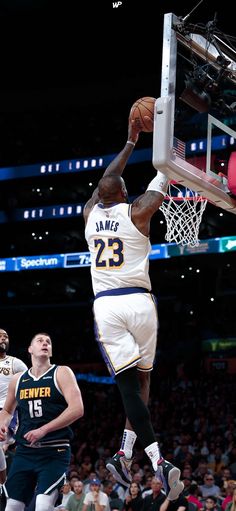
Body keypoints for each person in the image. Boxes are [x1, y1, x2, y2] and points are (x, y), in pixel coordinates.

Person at [83, 115, 184, 501]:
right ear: (125, 194)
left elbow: (105, 182)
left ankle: (137, 456)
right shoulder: (137, 212)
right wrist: (169, 156)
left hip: (107, 307)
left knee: (127, 384)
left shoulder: (90, 216)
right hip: (141, 302)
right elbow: (158, 189)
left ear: (101, 195)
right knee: (143, 382)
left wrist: (128, 144)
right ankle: (141, 458)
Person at [0, 331, 84, 511]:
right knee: (12, 506)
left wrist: (44, 429)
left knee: (43, 505)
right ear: (30, 349)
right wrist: (2, 424)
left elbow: (77, 408)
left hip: (54, 450)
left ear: (51, 351)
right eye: (40, 340)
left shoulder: (61, 372)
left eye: (48, 342)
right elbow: (7, 410)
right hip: (24, 452)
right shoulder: (18, 379)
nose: (45, 343)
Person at [0, 328, 28, 484]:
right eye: (0, 336)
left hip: (7, 412)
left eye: (6, 337)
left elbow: (32, 380)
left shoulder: (14, 362)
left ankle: (2, 484)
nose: (4, 339)